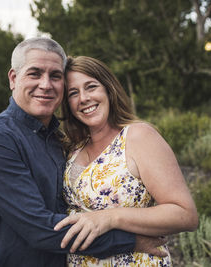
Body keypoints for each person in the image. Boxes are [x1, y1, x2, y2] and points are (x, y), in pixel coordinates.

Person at [0, 38, 167, 267]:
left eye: (55, 76)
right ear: (13, 78)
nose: (46, 84)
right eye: (34, 73)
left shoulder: (60, 141)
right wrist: (129, 241)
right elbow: (40, 228)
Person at [54, 56, 199, 266]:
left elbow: (185, 215)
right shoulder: (73, 147)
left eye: (91, 87)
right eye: (73, 93)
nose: (83, 98)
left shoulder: (138, 137)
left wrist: (110, 217)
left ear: (108, 90)